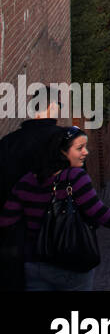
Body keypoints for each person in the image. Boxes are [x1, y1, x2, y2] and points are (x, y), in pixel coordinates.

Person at [0, 126, 110, 291]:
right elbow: (100, 213)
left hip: (34, 265)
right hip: (71, 263)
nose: (86, 152)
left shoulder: (26, 181)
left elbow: (7, 220)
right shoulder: (75, 177)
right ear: (62, 152)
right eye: (79, 148)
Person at [0, 102, 64, 290]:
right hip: (60, 239)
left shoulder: (8, 143)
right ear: (51, 106)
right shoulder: (65, 140)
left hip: (16, 244)